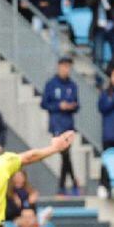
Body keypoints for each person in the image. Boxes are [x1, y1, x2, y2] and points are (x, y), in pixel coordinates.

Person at [42, 57, 80, 195]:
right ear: (59, 67)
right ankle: (68, 184)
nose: (66, 69)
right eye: (63, 66)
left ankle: (66, 185)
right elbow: (44, 103)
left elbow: (77, 105)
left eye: (68, 67)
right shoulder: (51, 84)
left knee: (66, 155)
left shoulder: (73, 85)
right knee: (64, 154)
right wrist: (59, 105)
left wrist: (71, 106)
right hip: (56, 123)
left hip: (68, 124)